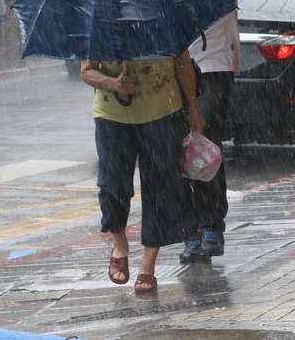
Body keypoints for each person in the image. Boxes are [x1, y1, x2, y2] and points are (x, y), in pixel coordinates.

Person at [169, 0, 259, 264]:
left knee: (204, 139)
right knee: (175, 145)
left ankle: (211, 224)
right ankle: (189, 230)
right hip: (176, 57)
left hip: (216, 56)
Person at [80, 54, 204, 293]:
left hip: (163, 114)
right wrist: (113, 83)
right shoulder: (98, 23)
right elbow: (87, 71)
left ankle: (148, 265)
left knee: (161, 191)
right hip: (111, 117)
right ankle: (119, 243)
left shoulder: (164, 18)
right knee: (111, 186)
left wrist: (193, 109)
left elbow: (183, 64)